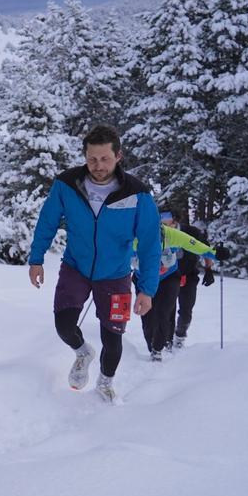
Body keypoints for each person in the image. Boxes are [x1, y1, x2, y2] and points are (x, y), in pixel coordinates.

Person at [28, 125, 161, 403]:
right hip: (76, 267)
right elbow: (47, 221)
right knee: (64, 325)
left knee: (113, 337)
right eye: (92, 159)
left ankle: (105, 381)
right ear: (85, 156)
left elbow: (150, 244)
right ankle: (82, 352)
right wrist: (36, 258)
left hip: (116, 275)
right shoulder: (67, 184)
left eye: (104, 159)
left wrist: (147, 290)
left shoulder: (137, 193)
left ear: (118, 156)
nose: (98, 166)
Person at [134, 208, 217, 359]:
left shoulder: (187, 232)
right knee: (154, 314)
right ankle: (159, 343)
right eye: (160, 217)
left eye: (167, 217)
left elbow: (202, 247)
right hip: (151, 277)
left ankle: (173, 338)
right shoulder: (140, 235)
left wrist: (210, 267)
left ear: (175, 219)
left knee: (179, 310)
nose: (163, 220)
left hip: (182, 275)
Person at [174, 218, 218, 349]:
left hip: (189, 275)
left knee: (186, 309)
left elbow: (206, 249)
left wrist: (208, 269)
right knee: (166, 310)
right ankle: (165, 339)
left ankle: (180, 335)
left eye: (167, 217)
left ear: (175, 219)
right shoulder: (160, 231)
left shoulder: (192, 232)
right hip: (166, 276)